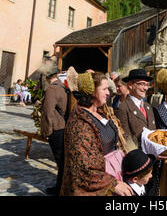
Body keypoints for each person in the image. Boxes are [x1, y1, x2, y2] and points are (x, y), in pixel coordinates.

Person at [60, 70, 133, 196]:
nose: (108, 93)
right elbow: (84, 167)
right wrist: (112, 184)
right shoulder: (79, 123)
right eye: (104, 89)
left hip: (112, 174)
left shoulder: (99, 112)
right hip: (93, 188)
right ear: (92, 92)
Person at [40, 65, 68, 196]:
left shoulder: (52, 89)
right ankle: (61, 186)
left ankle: (59, 189)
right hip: (63, 127)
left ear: (46, 77)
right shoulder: (63, 87)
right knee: (62, 160)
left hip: (56, 128)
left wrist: (46, 132)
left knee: (60, 161)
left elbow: (47, 112)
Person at [115, 69, 156, 147]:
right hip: (138, 155)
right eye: (142, 84)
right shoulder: (122, 108)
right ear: (130, 85)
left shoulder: (148, 106)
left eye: (147, 84)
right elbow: (126, 139)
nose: (145, 88)